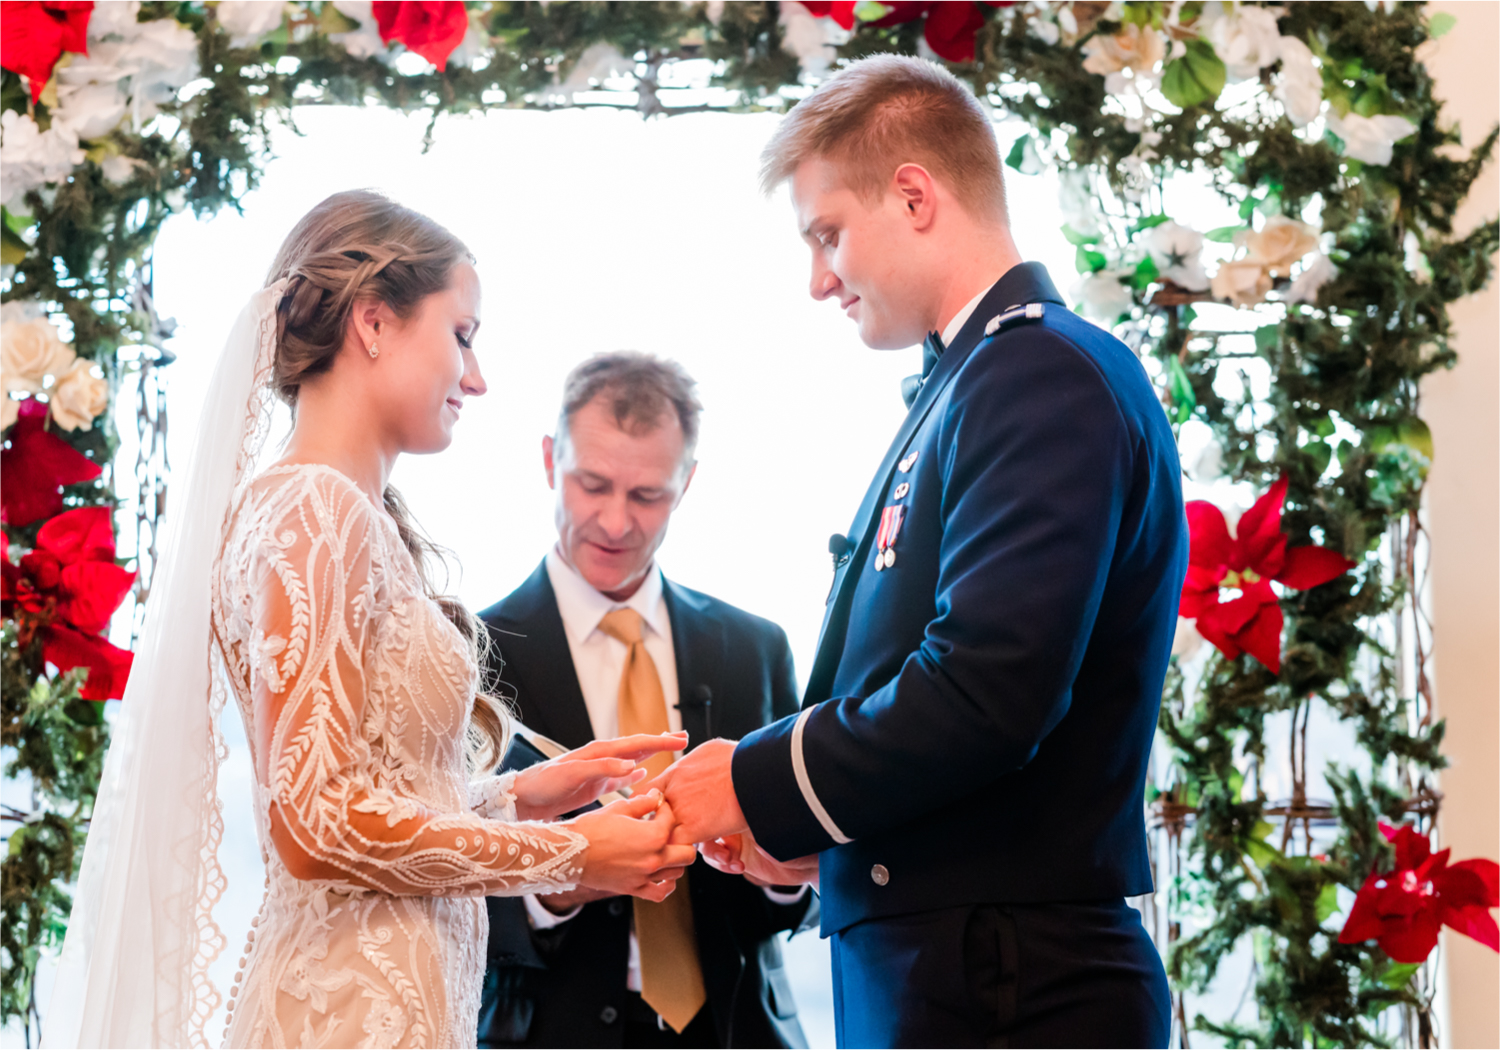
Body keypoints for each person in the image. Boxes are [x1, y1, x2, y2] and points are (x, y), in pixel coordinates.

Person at [44, 191, 699, 1049]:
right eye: (462, 334)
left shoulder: (336, 510)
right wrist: (573, 858)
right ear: (374, 323)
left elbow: (366, 799)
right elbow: (314, 828)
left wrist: (522, 795)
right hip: (349, 1012)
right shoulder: (315, 509)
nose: (477, 377)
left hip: (391, 1001)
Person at [655, 56, 1188, 1048]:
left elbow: (989, 692)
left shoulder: (1038, 373)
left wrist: (755, 780)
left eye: (827, 235)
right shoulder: (984, 376)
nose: (819, 280)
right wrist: (830, 846)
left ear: (913, 195)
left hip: (1010, 982)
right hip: (969, 963)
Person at [476, 353, 817, 1049]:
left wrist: (789, 878)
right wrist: (558, 884)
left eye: (647, 495)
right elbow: (437, 876)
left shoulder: (756, 648)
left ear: (686, 483)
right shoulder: (471, 653)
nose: (615, 521)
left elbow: (798, 896)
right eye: (592, 484)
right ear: (549, 461)